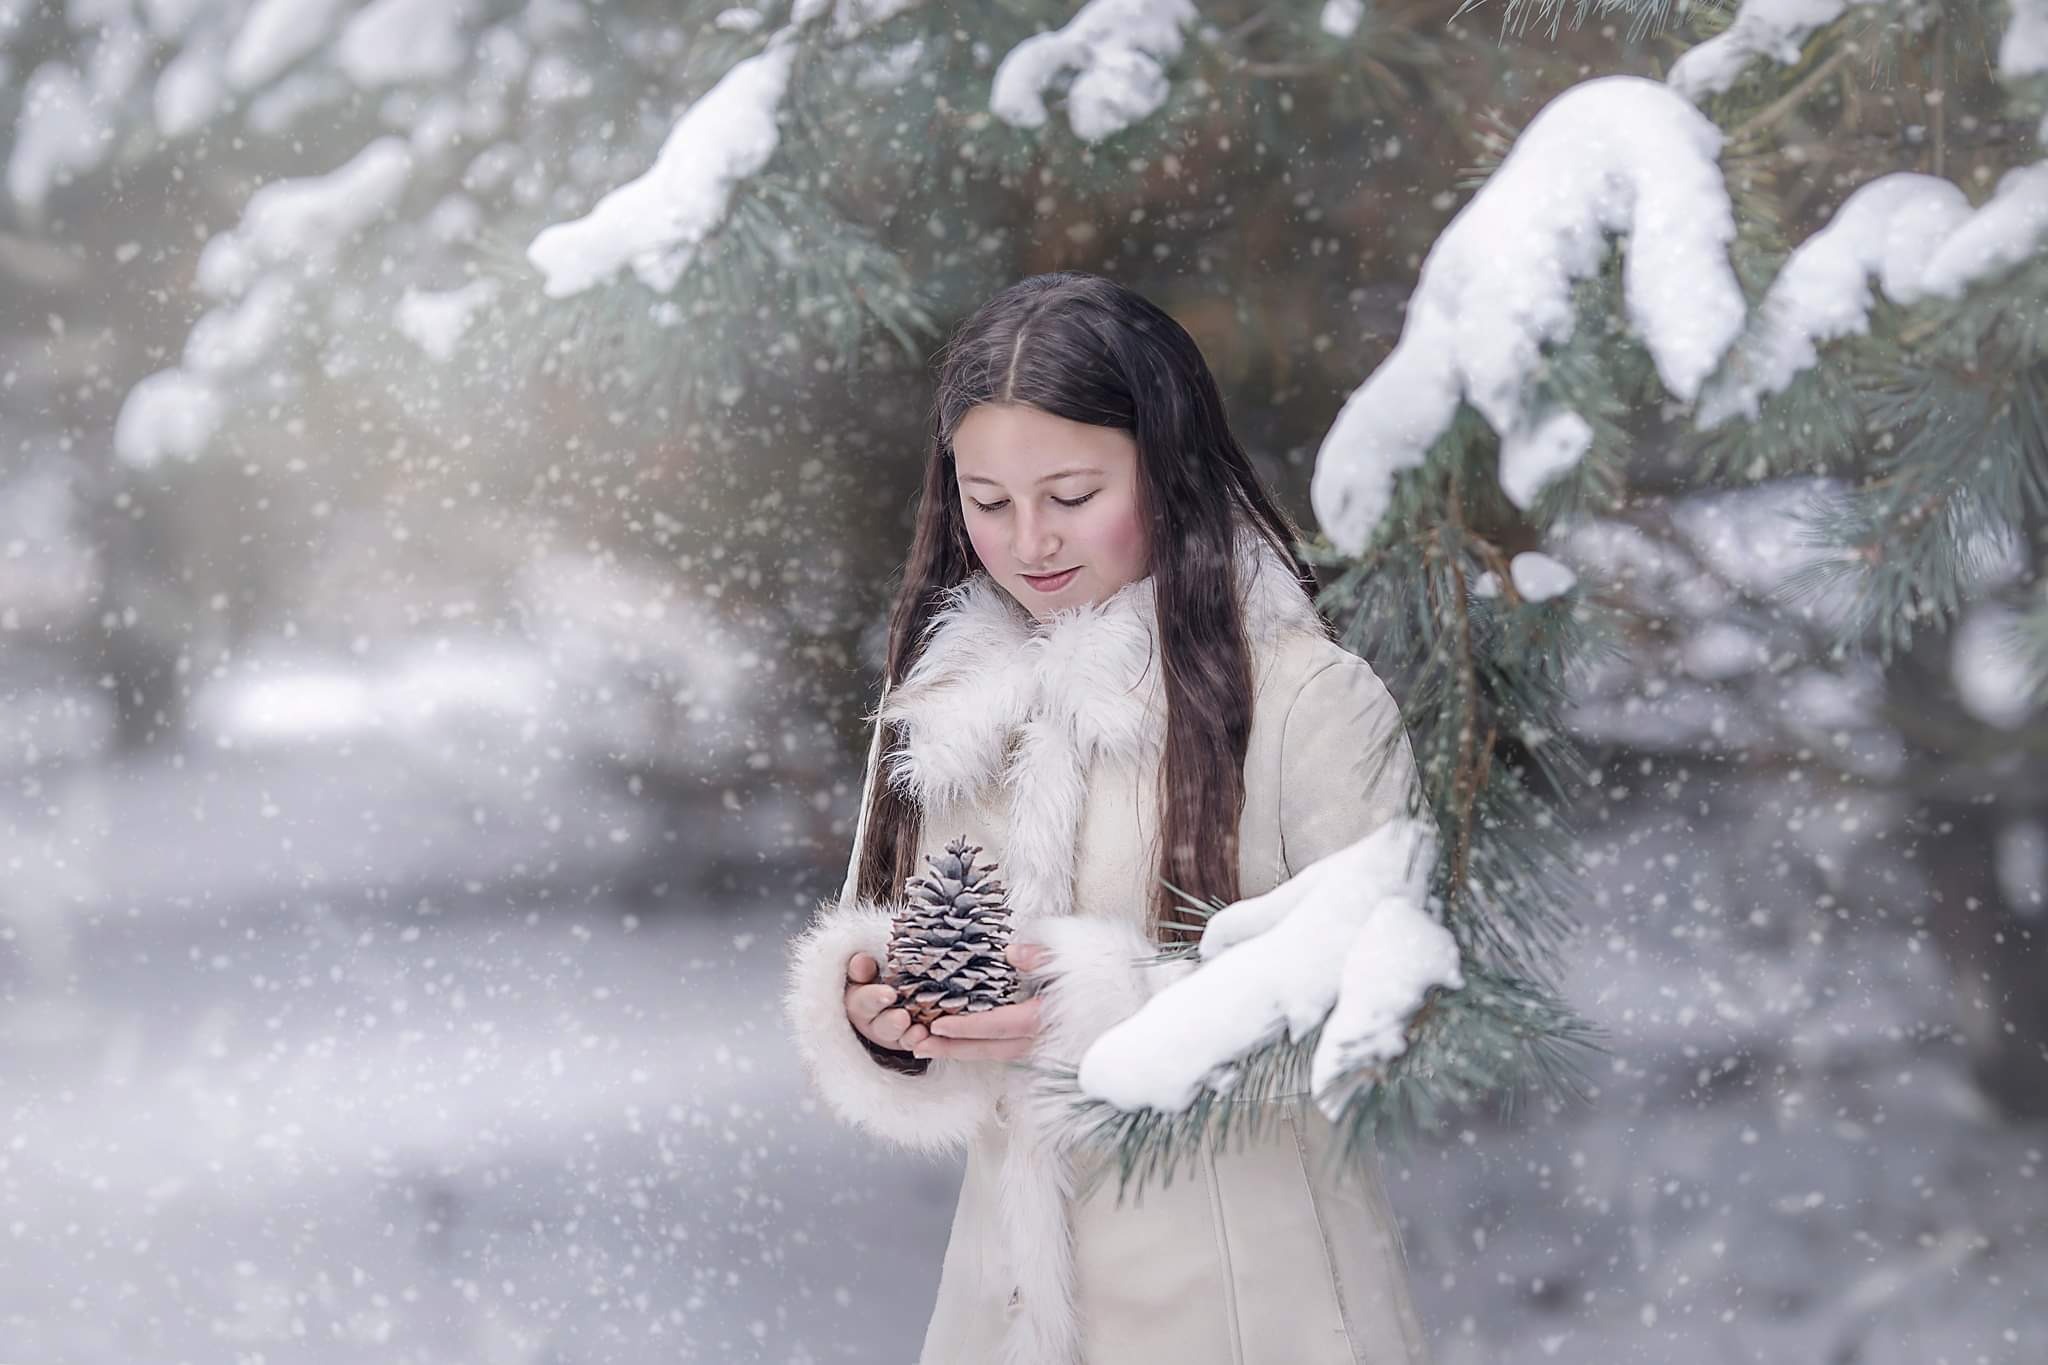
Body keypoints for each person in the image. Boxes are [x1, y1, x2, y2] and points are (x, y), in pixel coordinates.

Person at [782, 271, 1434, 1365]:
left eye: (1072, 494)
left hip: (1251, 1304)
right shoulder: (952, 713)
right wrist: (882, 1019)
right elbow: (914, 953)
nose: (1027, 538)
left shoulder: (1302, 698)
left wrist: (1113, 1006)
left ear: (1166, 469)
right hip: (1004, 1313)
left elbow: (1383, 1009)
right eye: (986, 502)